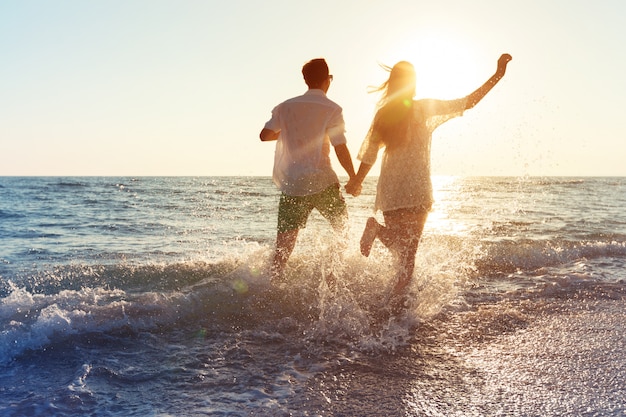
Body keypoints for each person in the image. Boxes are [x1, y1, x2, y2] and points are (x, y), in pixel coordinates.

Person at [346, 53, 512, 300]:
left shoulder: (383, 114)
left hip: (391, 189)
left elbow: (369, 154)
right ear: (412, 83)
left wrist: (357, 181)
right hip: (417, 189)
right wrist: (498, 74)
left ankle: (379, 238)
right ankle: (398, 310)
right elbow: (468, 102)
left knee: (400, 252)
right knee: (408, 256)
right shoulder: (423, 109)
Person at [260, 58, 357, 287]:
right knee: (343, 231)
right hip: (323, 181)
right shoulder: (332, 109)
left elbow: (265, 135)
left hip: (293, 185)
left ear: (305, 79)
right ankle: (333, 278)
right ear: (327, 80)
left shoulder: (285, 106)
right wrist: (354, 177)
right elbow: (340, 146)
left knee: (283, 247)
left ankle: (273, 288)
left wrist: (289, 134)